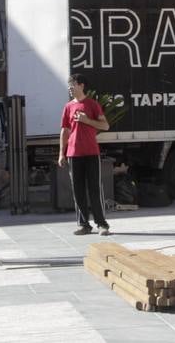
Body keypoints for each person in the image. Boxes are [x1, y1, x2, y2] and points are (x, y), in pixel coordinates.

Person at [57, 73, 111, 236]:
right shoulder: (68, 107)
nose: (70, 88)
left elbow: (105, 125)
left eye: (72, 85)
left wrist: (87, 121)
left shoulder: (92, 105)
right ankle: (83, 224)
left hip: (91, 153)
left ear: (81, 85)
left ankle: (102, 224)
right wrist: (61, 153)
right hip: (74, 153)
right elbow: (64, 131)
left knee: (94, 189)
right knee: (77, 190)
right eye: (69, 86)